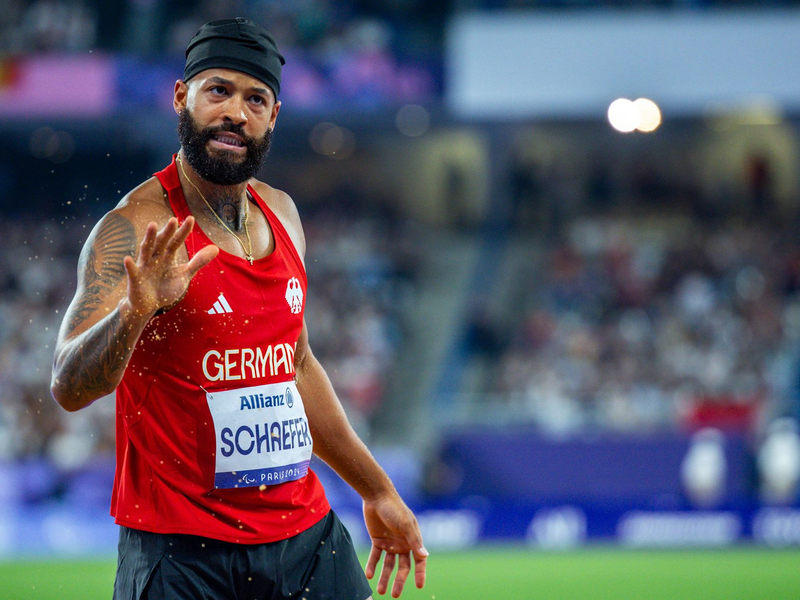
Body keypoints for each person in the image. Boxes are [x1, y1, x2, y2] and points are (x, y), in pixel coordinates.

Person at [50, 17, 427, 600]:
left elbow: (296, 366)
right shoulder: (135, 227)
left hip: (305, 539)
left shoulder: (284, 214)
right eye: (218, 91)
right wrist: (135, 312)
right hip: (182, 554)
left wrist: (376, 490)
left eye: (256, 99)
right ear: (183, 97)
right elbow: (68, 386)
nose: (236, 113)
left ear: (273, 116)